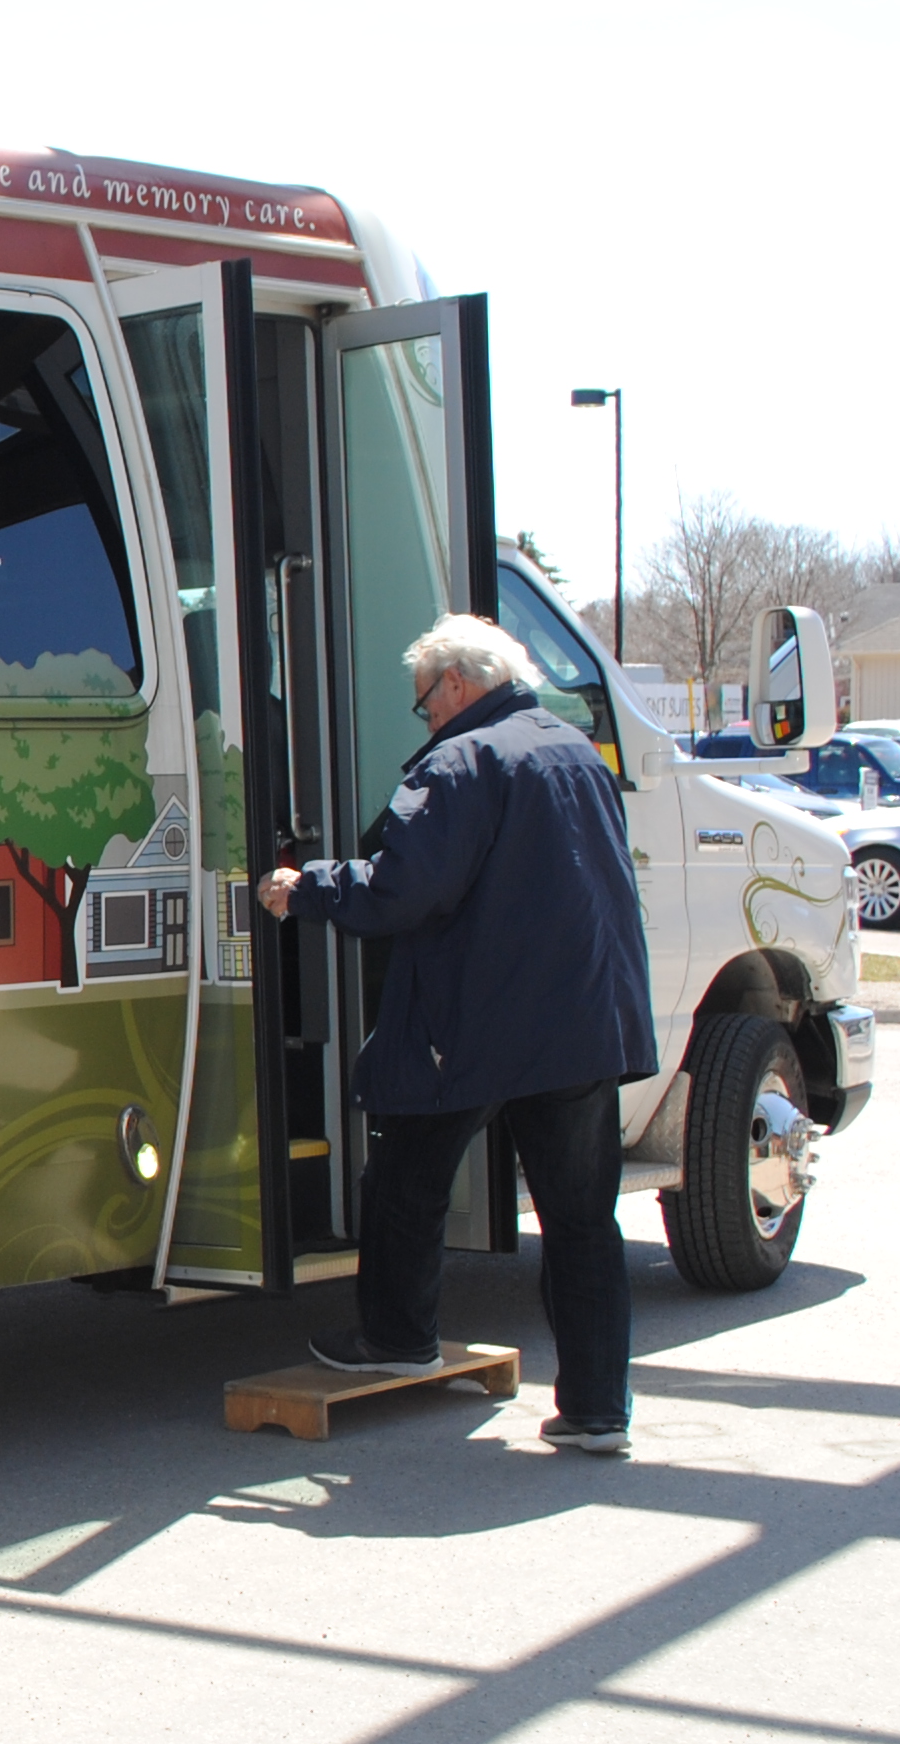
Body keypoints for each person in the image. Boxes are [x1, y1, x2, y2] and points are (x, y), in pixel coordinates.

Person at [257, 613, 655, 1454]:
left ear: (458, 685)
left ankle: (398, 1336)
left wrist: (309, 887)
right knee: (583, 1221)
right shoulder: (573, 751)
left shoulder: (461, 761)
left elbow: (404, 890)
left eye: (423, 701)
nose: (424, 716)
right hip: (580, 1023)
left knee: (406, 1176)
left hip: (480, 1025)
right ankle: (596, 1410)